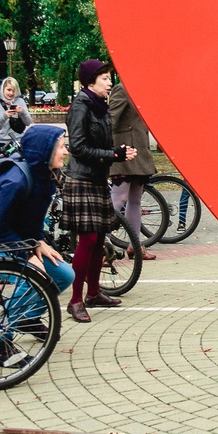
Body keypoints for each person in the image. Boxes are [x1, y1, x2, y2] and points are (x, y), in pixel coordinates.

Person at [0, 124, 75, 363]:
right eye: (62, 147)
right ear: (44, 150)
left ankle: (26, 318)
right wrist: (28, 254)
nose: (66, 152)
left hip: (14, 238)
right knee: (35, 276)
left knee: (64, 274)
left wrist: (39, 242)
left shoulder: (44, 174)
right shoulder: (15, 181)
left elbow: (31, 218)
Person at [62, 59, 138, 323]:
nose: (110, 83)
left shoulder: (100, 106)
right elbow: (78, 148)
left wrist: (118, 155)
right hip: (81, 180)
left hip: (97, 178)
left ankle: (94, 293)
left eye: (110, 78)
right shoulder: (80, 107)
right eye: (105, 78)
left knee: (99, 239)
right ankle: (75, 300)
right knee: (89, 240)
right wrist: (112, 154)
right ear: (91, 81)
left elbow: (105, 143)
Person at [109, 82, 157, 262]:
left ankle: (135, 246)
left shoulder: (143, 88)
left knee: (135, 199)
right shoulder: (123, 88)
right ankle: (100, 242)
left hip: (140, 151)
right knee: (118, 199)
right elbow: (111, 119)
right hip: (124, 151)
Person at [0, 76, 33, 152]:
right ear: (3, 89)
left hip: (18, 141)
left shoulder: (20, 101)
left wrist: (22, 112)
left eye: (13, 90)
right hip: (2, 143)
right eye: (8, 90)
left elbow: (28, 122)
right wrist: (4, 116)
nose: (11, 93)